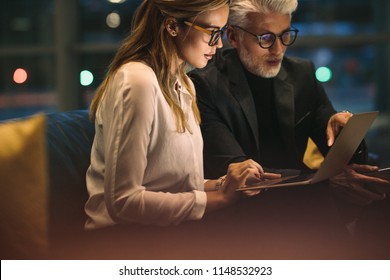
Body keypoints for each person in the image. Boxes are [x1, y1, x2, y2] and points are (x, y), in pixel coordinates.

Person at [189, 0, 390, 257]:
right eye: (265, 37)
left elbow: (337, 153)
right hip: (242, 218)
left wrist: (347, 133)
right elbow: (240, 175)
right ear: (233, 36)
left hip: (304, 207)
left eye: (285, 35)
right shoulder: (204, 85)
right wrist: (327, 184)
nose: (278, 49)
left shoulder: (302, 74)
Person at [84, 0, 269, 234]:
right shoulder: (137, 81)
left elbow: (175, 188)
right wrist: (221, 198)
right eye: (212, 33)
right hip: (121, 241)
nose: (219, 44)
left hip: (166, 235)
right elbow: (124, 203)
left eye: (220, 33)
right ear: (172, 26)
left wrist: (227, 183)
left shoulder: (184, 85)